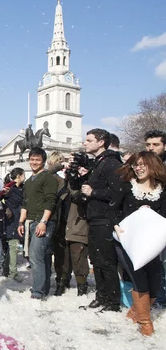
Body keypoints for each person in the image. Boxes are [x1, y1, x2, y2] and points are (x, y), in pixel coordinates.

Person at [112, 151, 166, 336]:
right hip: (126, 241)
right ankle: (145, 323)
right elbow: (113, 210)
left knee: (155, 284)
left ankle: (134, 312)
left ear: (153, 166)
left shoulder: (162, 190)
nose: (139, 168)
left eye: (143, 164)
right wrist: (117, 226)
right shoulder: (127, 187)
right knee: (139, 281)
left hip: (151, 245)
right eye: (136, 164)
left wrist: (151, 213)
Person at [79, 129, 122, 311]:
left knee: (106, 261)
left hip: (105, 219)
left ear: (101, 142)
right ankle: (101, 296)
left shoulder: (111, 163)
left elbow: (117, 193)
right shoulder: (98, 163)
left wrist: (93, 192)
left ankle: (112, 302)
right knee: (96, 261)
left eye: (89, 140)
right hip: (94, 218)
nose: (85, 143)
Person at [17, 148, 58, 299]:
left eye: (37, 160)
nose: (34, 162)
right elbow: (25, 203)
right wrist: (21, 222)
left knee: (36, 256)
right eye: (32, 159)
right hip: (31, 221)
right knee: (43, 256)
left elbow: (50, 201)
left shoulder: (48, 178)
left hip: (43, 222)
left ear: (43, 161)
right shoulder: (28, 182)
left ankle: (38, 291)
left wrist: (44, 221)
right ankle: (43, 288)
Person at [144, 129, 166, 306]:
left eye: (155, 144)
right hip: (153, 220)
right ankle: (159, 298)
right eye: (148, 144)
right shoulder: (145, 164)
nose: (151, 148)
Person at [46, 151, 72, 296]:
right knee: (54, 251)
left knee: (62, 252)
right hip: (53, 217)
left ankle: (62, 280)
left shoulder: (68, 179)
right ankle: (58, 278)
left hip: (66, 218)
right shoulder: (51, 177)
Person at [0, 167, 25, 281]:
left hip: (18, 219)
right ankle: (12, 273)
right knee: (13, 245)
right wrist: (5, 208)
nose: (25, 178)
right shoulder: (10, 186)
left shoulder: (23, 188)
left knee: (12, 246)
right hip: (11, 220)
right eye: (23, 175)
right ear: (19, 175)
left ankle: (6, 268)